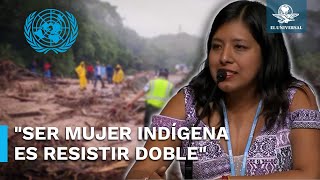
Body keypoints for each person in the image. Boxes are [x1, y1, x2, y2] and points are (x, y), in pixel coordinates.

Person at [126, 1, 320, 179]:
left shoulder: (295, 97)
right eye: (216, 46)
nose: (224, 57)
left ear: (267, 53)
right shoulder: (188, 102)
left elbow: (310, 175)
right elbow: (141, 169)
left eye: (240, 47)